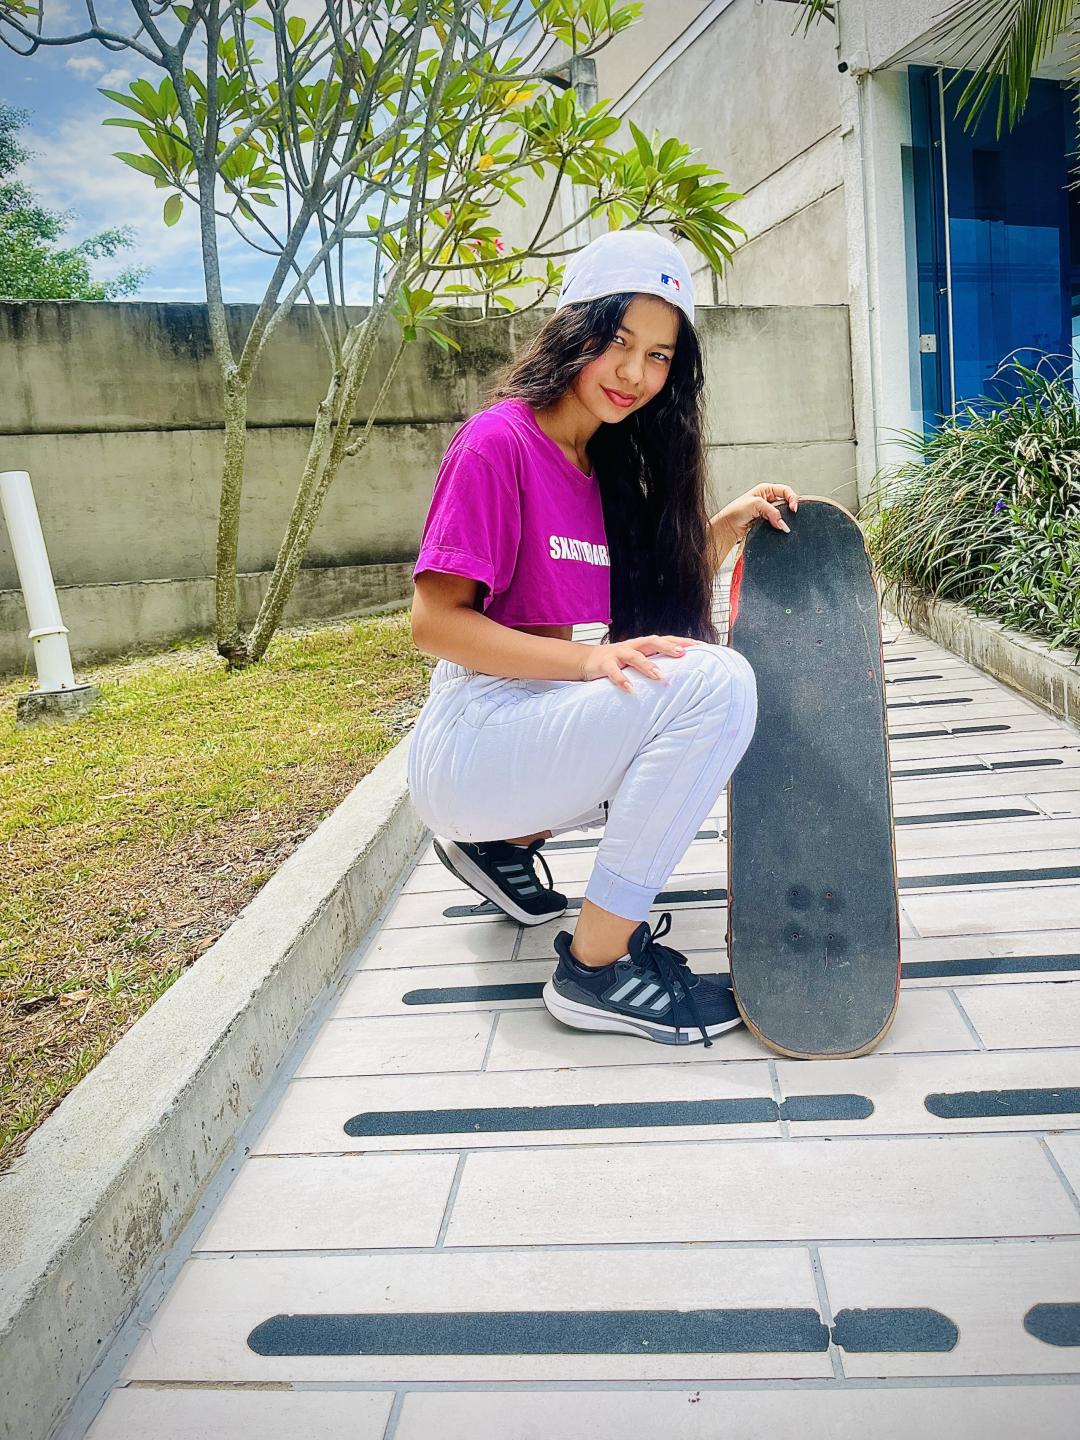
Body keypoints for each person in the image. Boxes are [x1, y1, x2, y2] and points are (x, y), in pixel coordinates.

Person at [407, 228, 798, 1047]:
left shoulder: (604, 464)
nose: (633, 373)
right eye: (617, 341)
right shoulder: (500, 442)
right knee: (716, 685)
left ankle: (503, 845)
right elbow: (434, 623)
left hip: (521, 732)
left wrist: (727, 525)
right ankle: (596, 968)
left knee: (671, 699)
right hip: (473, 735)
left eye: (658, 356)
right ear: (572, 330)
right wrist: (588, 660)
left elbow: (645, 595)